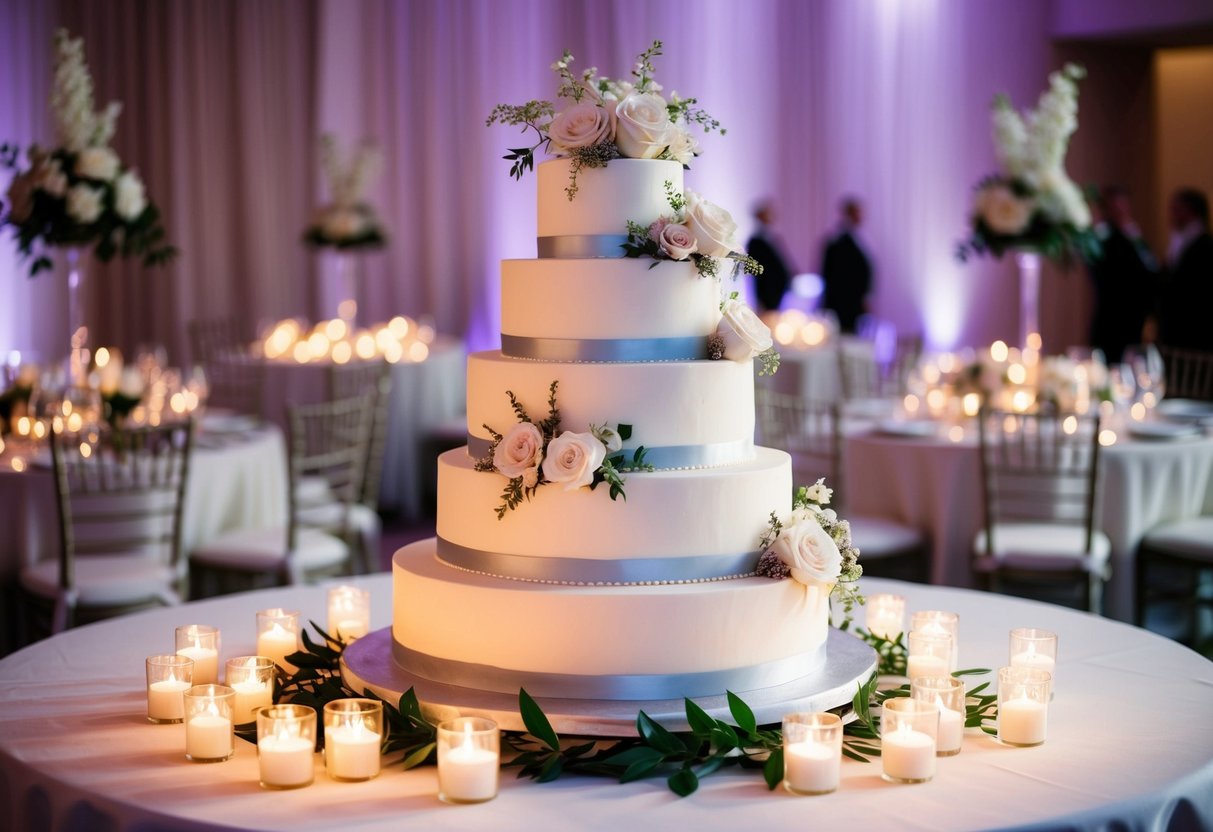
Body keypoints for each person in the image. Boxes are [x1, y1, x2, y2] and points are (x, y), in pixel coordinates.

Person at [1087, 186, 1158, 363]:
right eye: (1115, 207)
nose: (1120, 211)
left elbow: (1150, 267)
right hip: (1111, 318)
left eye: (1123, 206)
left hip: (1134, 319)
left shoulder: (1133, 235)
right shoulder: (1103, 237)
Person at [1158, 188, 1213, 352]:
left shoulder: (1204, 245)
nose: (1171, 215)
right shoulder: (1179, 241)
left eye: (1176, 209)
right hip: (1175, 332)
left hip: (1194, 333)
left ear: (1190, 211)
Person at [820, 197, 872, 333]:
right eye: (857, 213)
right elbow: (833, 274)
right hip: (845, 303)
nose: (861, 217)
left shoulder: (854, 238)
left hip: (853, 302)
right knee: (845, 335)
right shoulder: (839, 242)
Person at [746, 199, 793, 313]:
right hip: (766, 288)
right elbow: (752, 267)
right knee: (768, 314)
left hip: (777, 286)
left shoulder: (772, 237)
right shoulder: (755, 241)